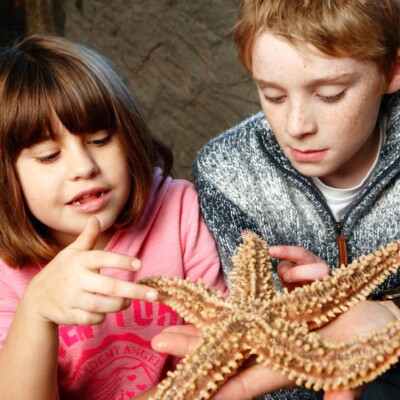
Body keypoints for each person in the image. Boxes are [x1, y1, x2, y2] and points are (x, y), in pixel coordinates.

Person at [152, 0, 400, 399]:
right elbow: (256, 331)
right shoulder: (227, 170)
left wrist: (385, 311)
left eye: (331, 95)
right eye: (273, 96)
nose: (297, 126)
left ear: (393, 70)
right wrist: (315, 321)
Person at [0, 34, 226, 400]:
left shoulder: (177, 210)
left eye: (101, 139)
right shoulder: (7, 273)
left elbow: (228, 348)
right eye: (48, 156)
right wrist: (36, 310)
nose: (84, 167)